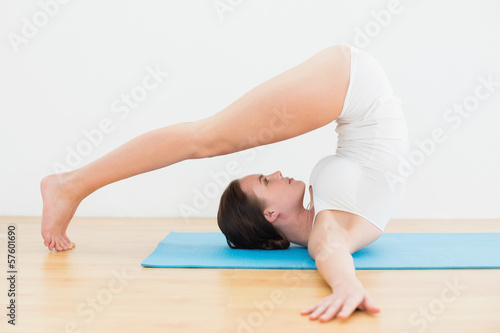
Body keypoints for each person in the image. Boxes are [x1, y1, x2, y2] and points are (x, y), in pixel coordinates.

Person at [41, 44, 409, 322]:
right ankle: (69, 185)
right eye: (266, 179)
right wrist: (346, 285)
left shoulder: (328, 218)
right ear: (272, 212)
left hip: (349, 84)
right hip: (350, 84)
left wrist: (344, 281)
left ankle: (71, 185)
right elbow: (330, 252)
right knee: (203, 138)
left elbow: (329, 250)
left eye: (266, 176)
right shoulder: (330, 228)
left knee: (205, 137)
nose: (278, 173)